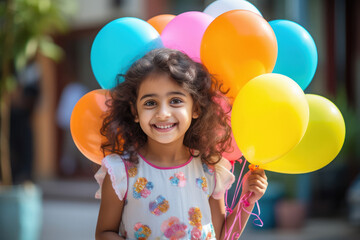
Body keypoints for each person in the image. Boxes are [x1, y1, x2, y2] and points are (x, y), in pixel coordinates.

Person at [94, 48, 268, 240]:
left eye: (175, 101)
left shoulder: (210, 168)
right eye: (150, 103)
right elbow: (104, 233)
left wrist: (247, 200)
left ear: (195, 108)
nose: (163, 113)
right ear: (135, 112)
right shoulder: (121, 172)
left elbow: (221, 237)